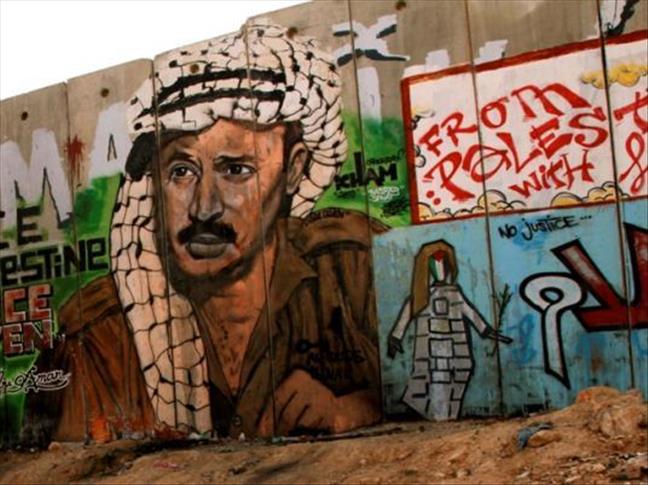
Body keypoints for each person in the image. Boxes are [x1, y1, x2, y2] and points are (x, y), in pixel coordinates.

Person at [25, 21, 383, 442]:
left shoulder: (356, 269)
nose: (204, 207)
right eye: (181, 171)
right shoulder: (98, 338)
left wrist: (355, 408)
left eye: (236, 169)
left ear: (293, 169)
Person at [387, 240, 511, 421]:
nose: (440, 269)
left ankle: (449, 416)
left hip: (457, 345)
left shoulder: (454, 293)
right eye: (435, 264)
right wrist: (396, 337)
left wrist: (486, 331)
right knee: (437, 380)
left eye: (443, 264)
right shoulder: (421, 297)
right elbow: (406, 315)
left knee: (462, 371)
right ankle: (440, 416)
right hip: (432, 347)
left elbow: (471, 313)